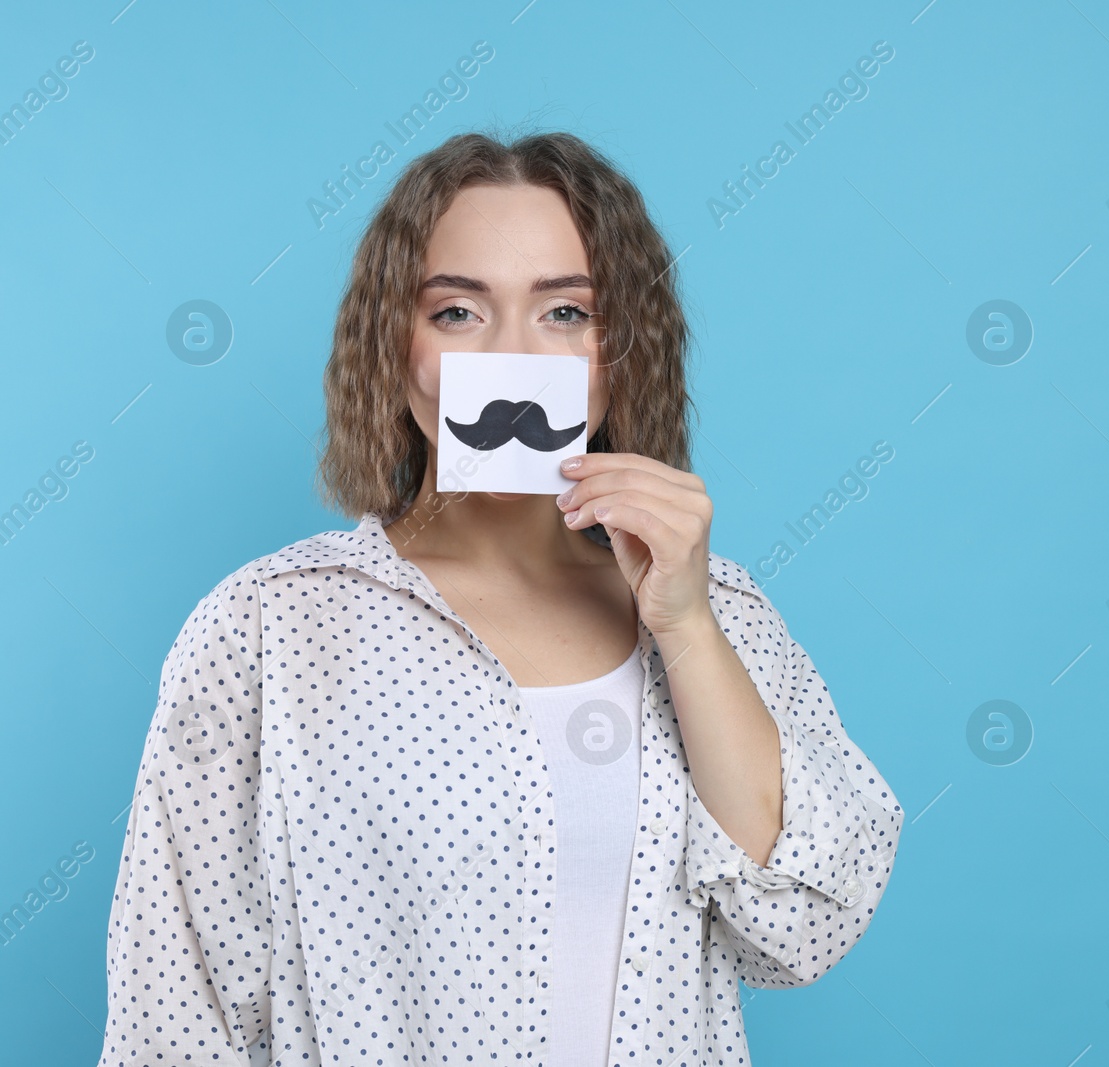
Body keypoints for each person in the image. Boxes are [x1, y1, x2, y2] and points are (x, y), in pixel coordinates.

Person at [98, 130, 903, 1067]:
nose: (518, 357)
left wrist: (684, 622)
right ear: (395, 350)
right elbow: (175, 1012)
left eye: (565, 312)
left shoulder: (721, 609)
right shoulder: (269, 627)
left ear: (622, 351)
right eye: (458, 313)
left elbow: (802, 927)